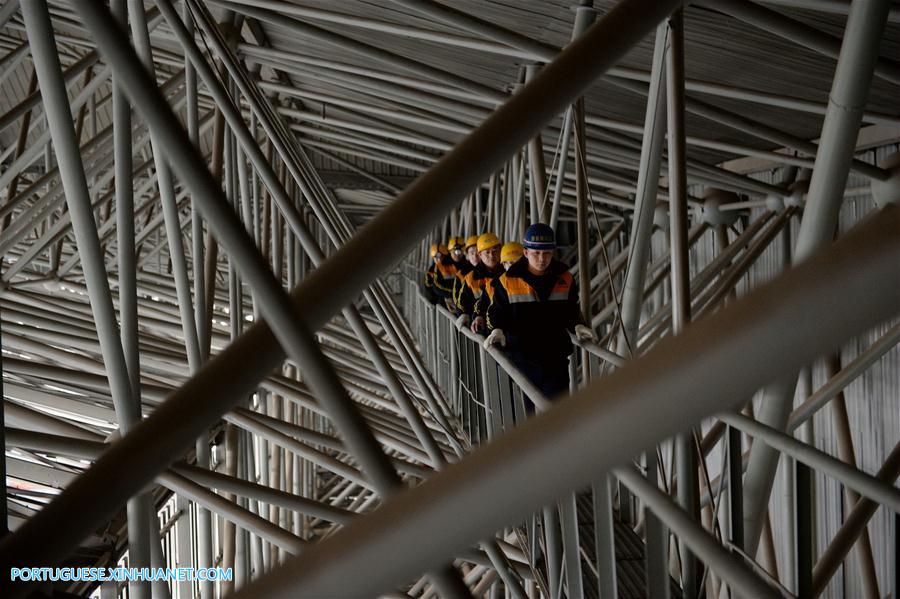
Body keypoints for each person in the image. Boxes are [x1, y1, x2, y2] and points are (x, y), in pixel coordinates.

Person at [485, 223, 596, 403]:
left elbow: (569, 309)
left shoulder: (565, 278)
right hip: (521, 360)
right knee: (527, 420)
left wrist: (577, 324)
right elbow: (496, 311)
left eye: (547, 253)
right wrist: (497, 329)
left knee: (558, 415)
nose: (542, 258)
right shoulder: (507, 281)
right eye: (536, 253)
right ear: (526, 252)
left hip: (555, 360)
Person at [456, 233, 502, 332]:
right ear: (480, 254)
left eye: (495, 251)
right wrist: (463, 314)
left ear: (500, 251)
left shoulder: (506, 275)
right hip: (477, 328)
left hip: (501, 328)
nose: (491, 255)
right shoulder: (471, 277)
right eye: (487, 252)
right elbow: (462, 301)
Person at [422, 242, 458, 309]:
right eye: (436, 258)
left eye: (441, 257)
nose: (439, 259)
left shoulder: (453, 266)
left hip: (453, 297)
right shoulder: (431, 270)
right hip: (442, 299)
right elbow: (429, 286)